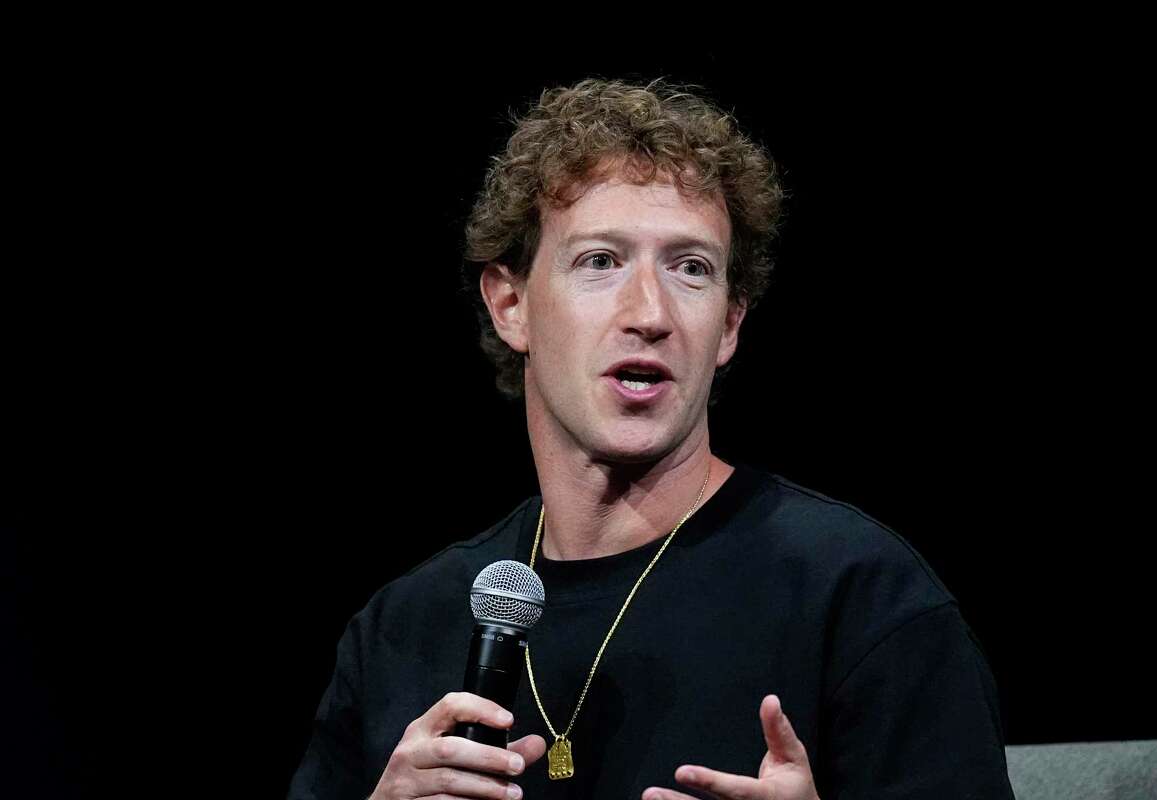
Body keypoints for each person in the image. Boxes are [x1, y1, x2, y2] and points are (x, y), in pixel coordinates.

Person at [288, 78, 1014, 800]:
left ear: (729, 324)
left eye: (690, 269)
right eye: (601, 261)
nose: (650, 313)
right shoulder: (402, 631)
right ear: (511, 304)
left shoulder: (862, 600)